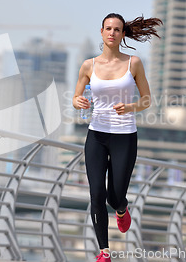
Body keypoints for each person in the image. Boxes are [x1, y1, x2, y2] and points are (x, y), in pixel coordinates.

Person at [72, 13, 162, 262]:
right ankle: (104, 252)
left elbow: (146, 100)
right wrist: (77, 100)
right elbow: (76, 96)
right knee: (97, 194)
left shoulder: (134, 63)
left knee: (114, 196)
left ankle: (121, 209)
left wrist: (130, 107)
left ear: (123, 35)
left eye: (117, 29)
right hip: (97, 136)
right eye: (108, 28)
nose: (112, 33)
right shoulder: (88, 65)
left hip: (124, 136)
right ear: (101, 32)